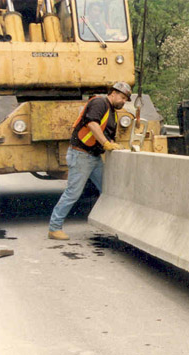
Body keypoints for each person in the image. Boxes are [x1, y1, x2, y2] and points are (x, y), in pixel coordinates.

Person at [48, 82, 131, 240]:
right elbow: (92, 123)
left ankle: (113, 223)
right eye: (122, 97)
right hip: (81, 156)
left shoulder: (111, 111)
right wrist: (106, 144)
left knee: (108, 190)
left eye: (126, 99)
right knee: (72, 193)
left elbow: (105, 131)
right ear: (113, 93)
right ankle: (54, 228)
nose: (123, 101)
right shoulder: (99, 102)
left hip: (93, 157)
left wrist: (112, 143)